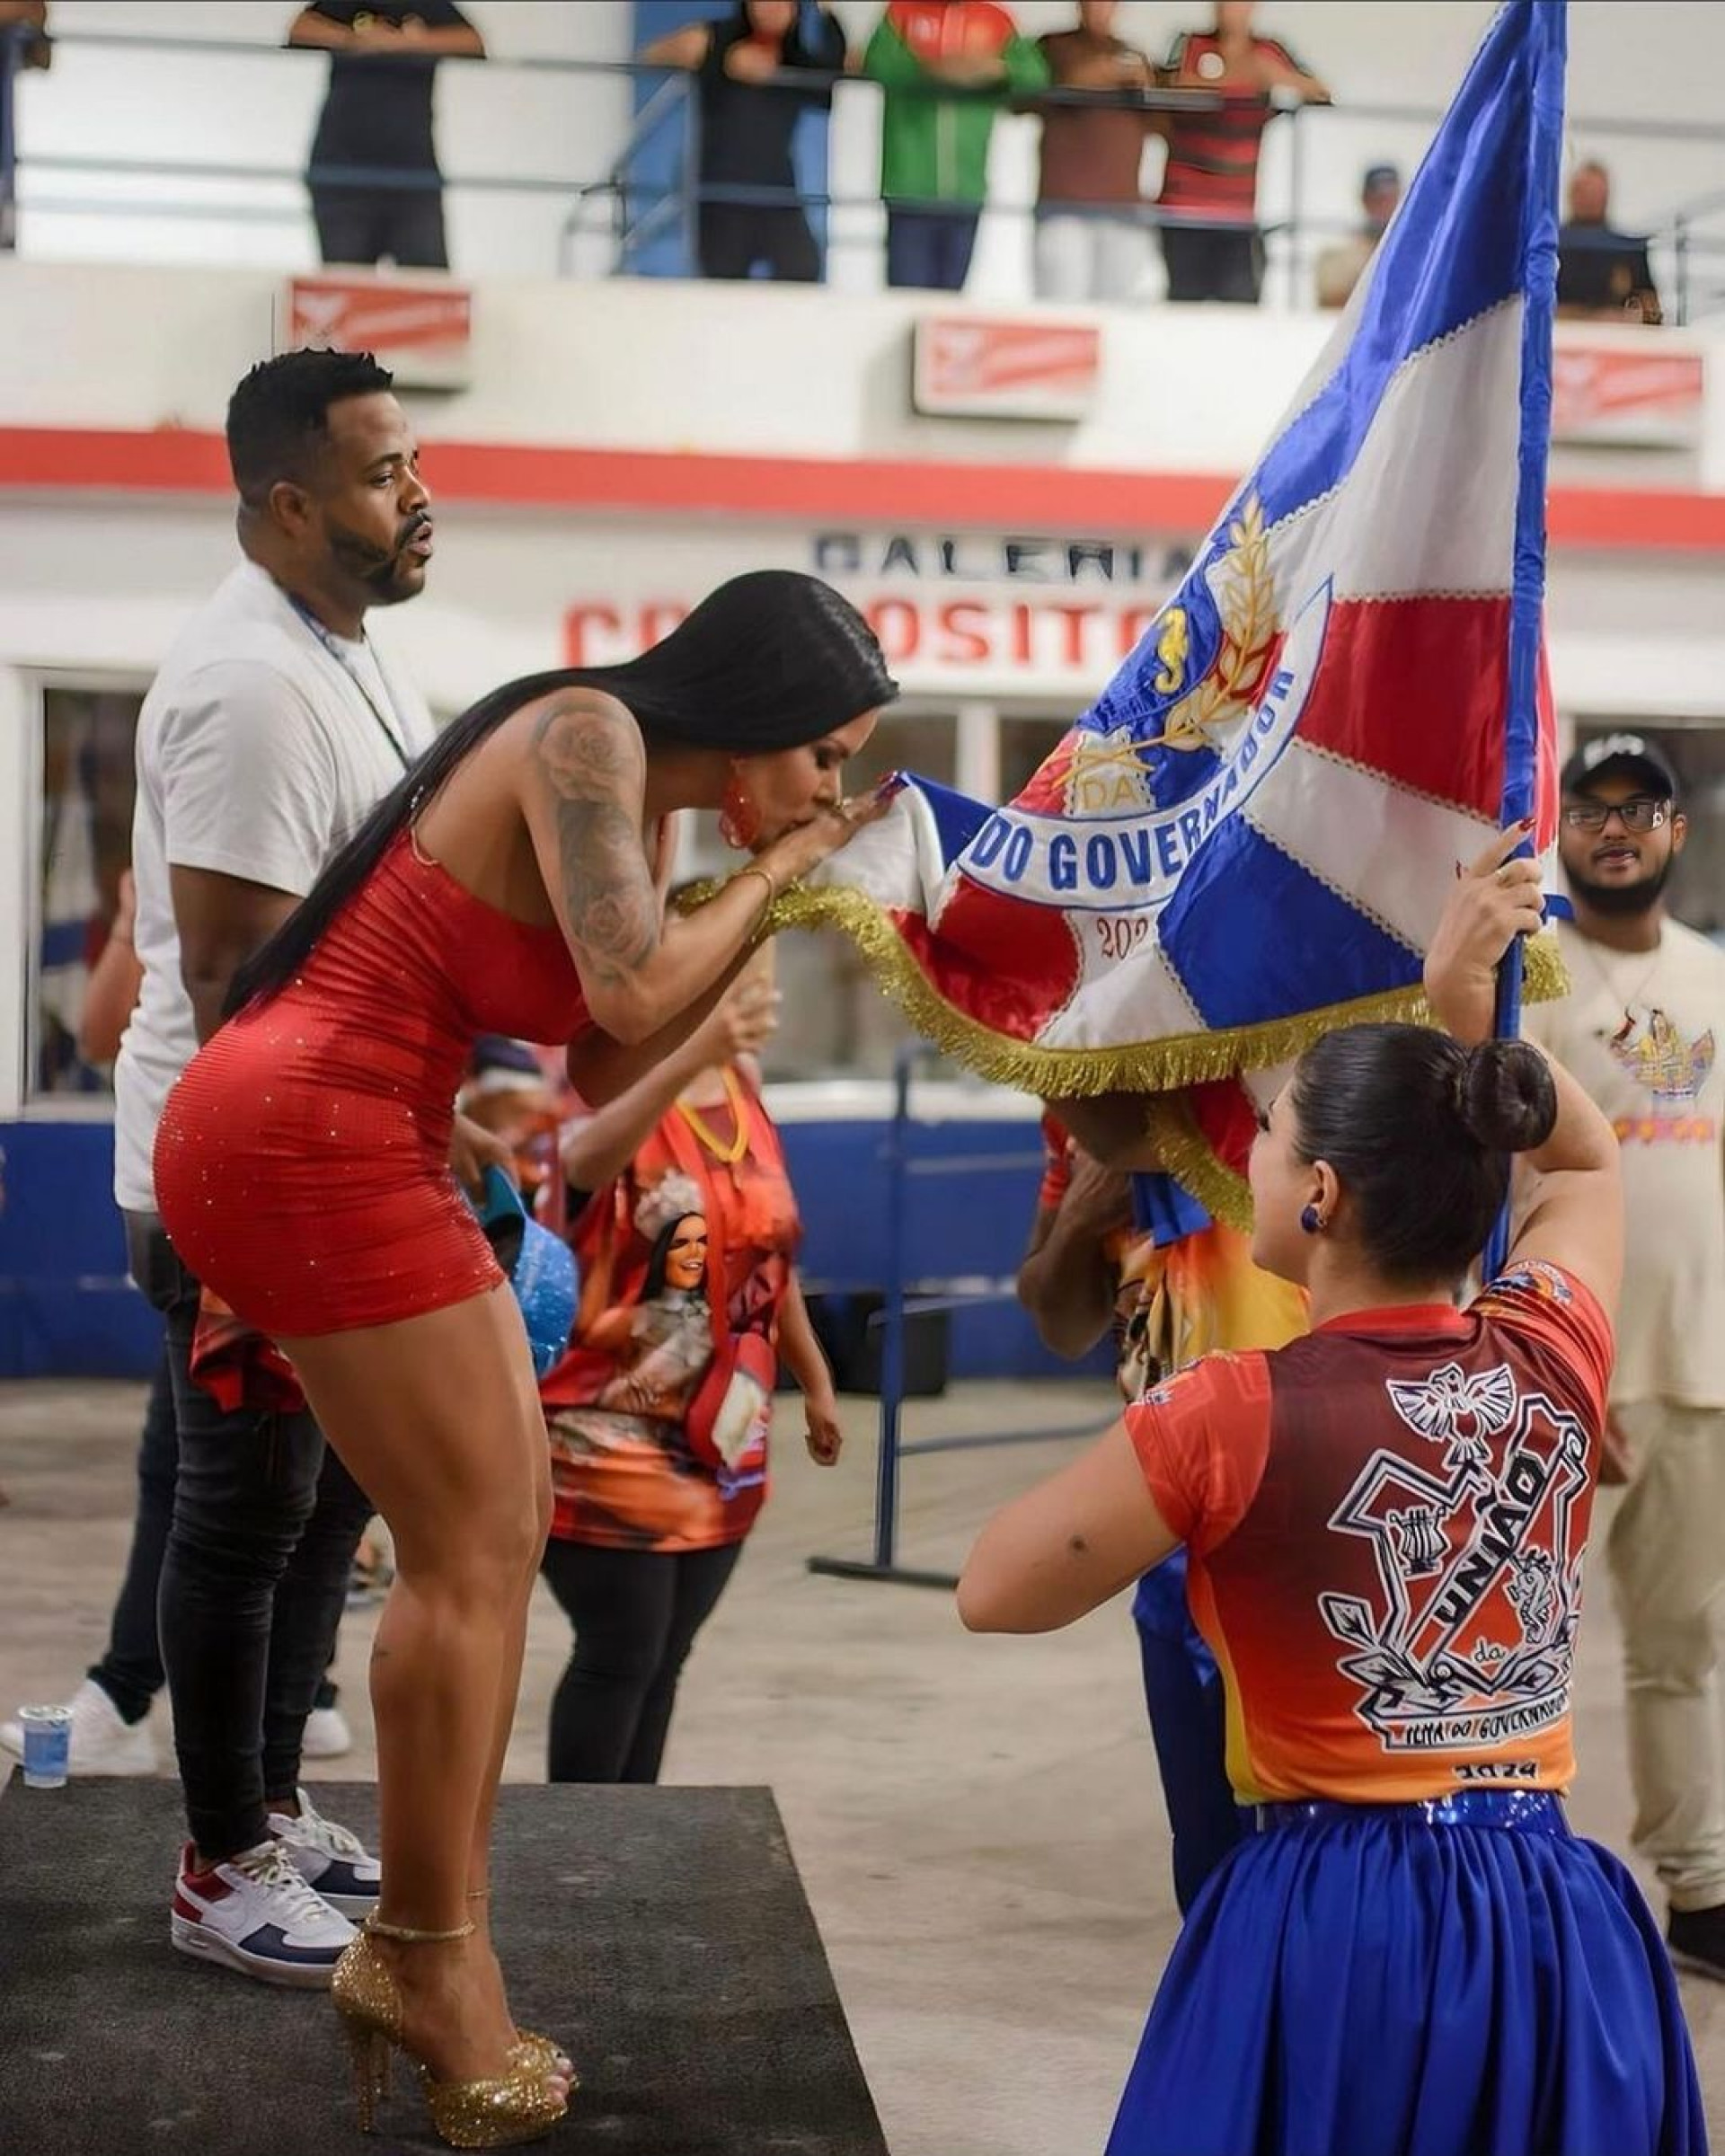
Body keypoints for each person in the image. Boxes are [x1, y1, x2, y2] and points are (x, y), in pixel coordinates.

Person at [152, 570, 896, 2144]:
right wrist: (809, 862)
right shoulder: (586, 733)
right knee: (471, 1548)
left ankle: (430, 1930)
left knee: (488, 1537)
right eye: (828, 755)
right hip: (311, 1127)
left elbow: (607, 1042)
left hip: (361, 1130)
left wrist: (771, 874)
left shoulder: (656, 812)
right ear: (755, 719)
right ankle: (427, 1963)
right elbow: (630, 989)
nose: (834, 787)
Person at [960, 826, 1705, 2156]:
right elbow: (1584, 1166)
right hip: (1552, 1907)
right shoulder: (1554, 1351)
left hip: (1335, 1911)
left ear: (1318, 1194)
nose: (1244, 1158)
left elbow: (995, 1592)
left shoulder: (1227, 1413)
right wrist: (1471, 1009)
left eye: (1269, 1139)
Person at [13, 354, 440, 1982]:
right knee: (243, 1518)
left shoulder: (335, 654)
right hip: (241, 1178)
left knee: (332, 1504)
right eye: (384, 473)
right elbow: (236, 964)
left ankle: (267, 1796)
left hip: (322, 1156)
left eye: (411, 464)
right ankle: (217, 1863)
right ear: (286, 504)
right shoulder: (252, 684)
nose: (417, 498)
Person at [1520, 733, 1725, 1980]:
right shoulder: (1527, 979)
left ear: (1676, 831)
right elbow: (1500, 1185)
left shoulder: (1712, 978)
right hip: (1565, 1367)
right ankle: (1510, 1880)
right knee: (1512, 1640)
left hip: (1700, 1367)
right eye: (1589, 811)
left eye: (1638, 809)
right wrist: (1546, 1353)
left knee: (1684, 1645)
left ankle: (1701, 1891)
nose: (1614, 830)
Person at [541, 948, 843, 1784]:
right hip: (608, 1429)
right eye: (739, 972)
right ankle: (575, 1859)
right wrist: (694, 1054)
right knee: (618, 1652)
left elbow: (767, 1261)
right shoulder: (611, 1083)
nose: (759, 991)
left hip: (727, 1429)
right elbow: (577, 1169)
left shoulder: (746, 1098)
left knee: (664, 1660)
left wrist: (814, 1382)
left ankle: (633, 1842)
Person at [1018, 1114, 1305, 1913]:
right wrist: (1083, 1213)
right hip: (1172, 1542)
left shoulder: (1296, 1096)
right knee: (1210, 1859)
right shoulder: (1083, 1118)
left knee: (1309, 1844)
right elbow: (1059, 1321)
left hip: (1310, 1529)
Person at [641, 0, 845, 284]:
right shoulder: (720, 38)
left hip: (777, 194)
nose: (772, 7)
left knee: (802, 269)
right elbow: (650, 55)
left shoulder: (795, 57)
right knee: (724, 287)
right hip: (721, 193)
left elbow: (832, 87)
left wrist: (830, 15)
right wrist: (720, 59)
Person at [862, 0, 1048, 293]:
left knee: (948, 303)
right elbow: (879, 64)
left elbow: (1035, 76)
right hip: (909, 186)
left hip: (967, 189)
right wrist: (933, 71)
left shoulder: (996, 19)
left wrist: (996, 69)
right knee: (905, 300)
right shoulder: (901, 11)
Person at [288, 0, 484, 271]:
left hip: (412, 175)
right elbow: (300, 29)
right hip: (343, 173)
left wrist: (400, 44)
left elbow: (471, 41)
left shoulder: (430, 5)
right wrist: (353, 40)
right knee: (347, 288)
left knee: (428, 290)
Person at [1155, 1, 1328, 305]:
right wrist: (1242, 80)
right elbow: (1168, 87)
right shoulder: (1189, 43)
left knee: (1241, 309)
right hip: (1184, 209)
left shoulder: (1270, 51)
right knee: (1183, 313)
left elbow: (1320, 93)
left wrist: (1269, 75)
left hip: (1238, 213)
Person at [1029, 1, 1157, 305]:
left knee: (1117, 314)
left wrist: (1145, 85)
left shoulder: (1135, 55)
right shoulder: (1052, 46)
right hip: (1064, 206)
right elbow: (1061, 85)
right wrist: (1111, 72)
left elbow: (1159, 123)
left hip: (1122, 208)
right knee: (1060, 311)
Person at [1557, 160, 1662, 324]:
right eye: (1584, 192)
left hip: (1614, 336)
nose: (1589, 199)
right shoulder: (1550, 248)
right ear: (1571, 194)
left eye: (1595, 193)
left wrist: (1629, 316)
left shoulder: (1628, 250)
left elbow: (1652, 313)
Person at [1314, 159, 1399, 310]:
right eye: (1378, 199)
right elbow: (1333, 297)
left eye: (1391, 198)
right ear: (1364, 200)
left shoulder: (1413, 253)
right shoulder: (1337, 256)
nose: (1385, 206)